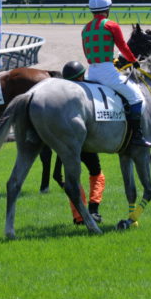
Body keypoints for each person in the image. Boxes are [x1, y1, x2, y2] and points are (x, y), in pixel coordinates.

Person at [81, 0, 150, 147]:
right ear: (108, 8)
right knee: (136, 98)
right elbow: (123, 47)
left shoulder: (85, 28)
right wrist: (133, 61)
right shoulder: (111, 25)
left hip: (90, 71)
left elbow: (87, 53)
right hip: (107, 72)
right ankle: (136, 136)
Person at [61, 60, 105, 223]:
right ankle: (93, 210)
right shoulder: (86, 91)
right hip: (85, 142)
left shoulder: (60, 95)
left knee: (72, 179)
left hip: (63, 144)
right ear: (80, 77)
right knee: (96, 173)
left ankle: (78, 216)